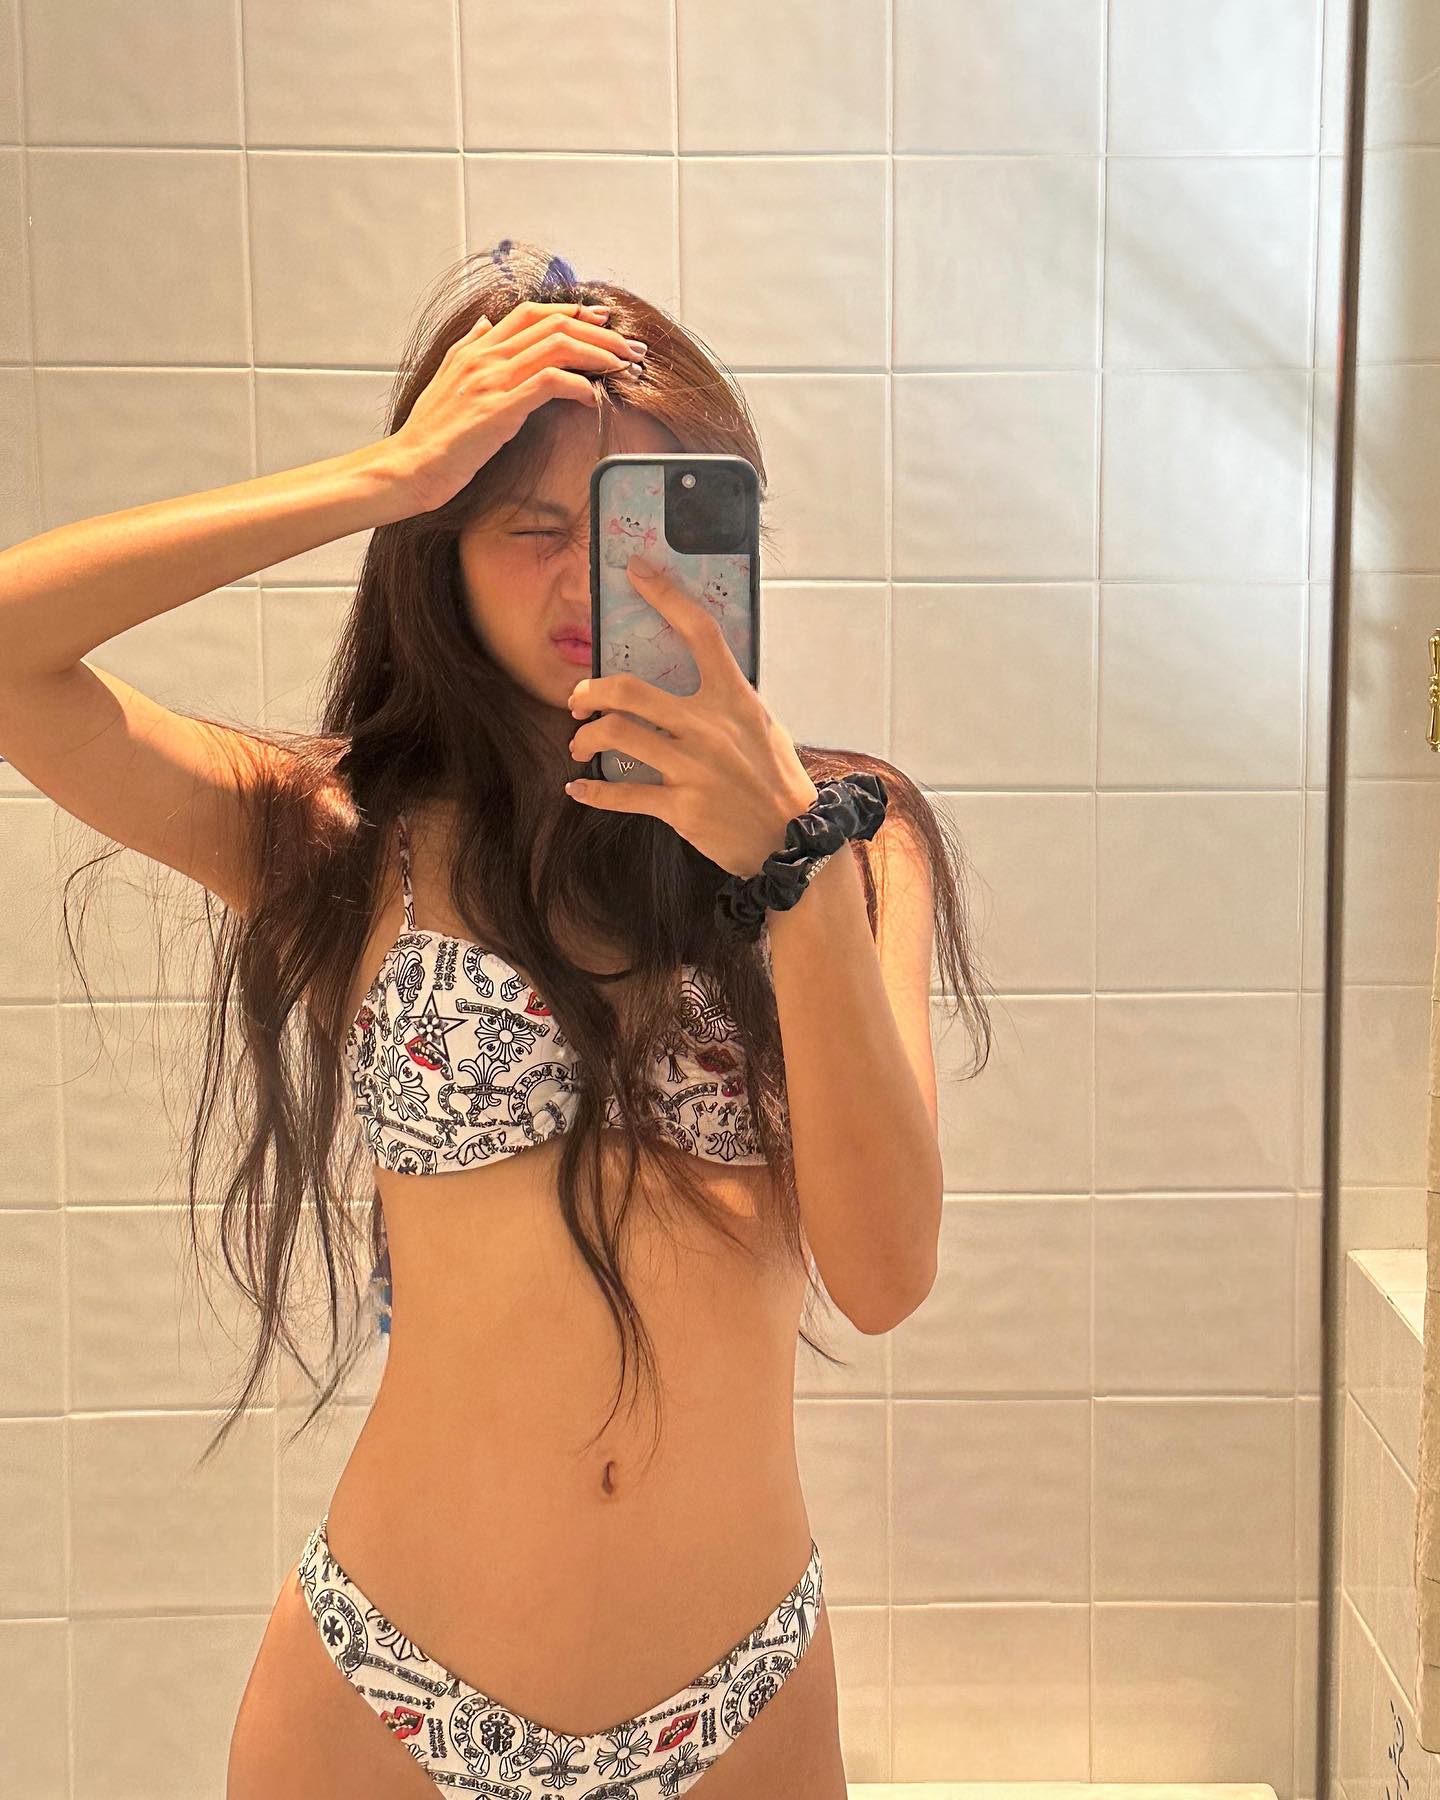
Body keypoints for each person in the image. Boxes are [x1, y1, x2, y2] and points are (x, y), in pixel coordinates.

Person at [0, 239, 991, 1797]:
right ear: (442, 552)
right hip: (386, 1688)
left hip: (737, 1704)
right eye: (529, 525)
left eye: (641, 524)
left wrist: (786, 866)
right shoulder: (344, 837)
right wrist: (381, 475)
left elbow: (883, 1275)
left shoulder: (858, 839)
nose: (589, 578)